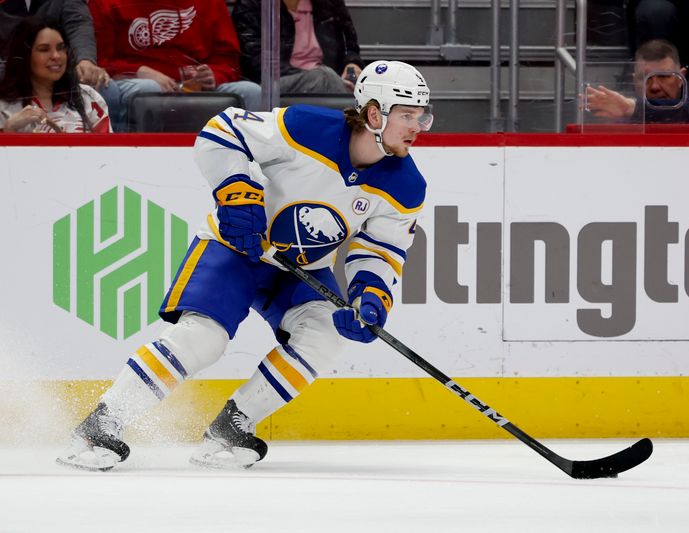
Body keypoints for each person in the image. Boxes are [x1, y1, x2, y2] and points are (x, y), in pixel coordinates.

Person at [56, 60, 433, 471]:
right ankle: (100, 426)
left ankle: (232, 428)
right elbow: (222, 131)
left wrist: (371, 297)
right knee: (205, 338)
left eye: (421, 116)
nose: (418, 127)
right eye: (408, 115)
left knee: (325, 333)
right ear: (375, 114)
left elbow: (381, 251)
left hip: (299, 268)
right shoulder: (305, 127)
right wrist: (235, 191)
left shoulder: (406, 184)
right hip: (236, 247)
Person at [89, 0, 263, 129]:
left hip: (195, 87)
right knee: (149, 89)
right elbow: (98, 63)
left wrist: (214, 75)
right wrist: (137, 71)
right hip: (135, 82)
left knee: (252, 91)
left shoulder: (210, 3)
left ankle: (254, 165)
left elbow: (229, 60)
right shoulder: (107, 3)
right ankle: (138, 156)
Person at [0, 0, 123, 130]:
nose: (56, 56)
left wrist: (85, 59)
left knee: (108, 88)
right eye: (44, 49)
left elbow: (107, 149)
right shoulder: (4, 107)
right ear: (25, 56)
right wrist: (8, 131)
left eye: (60, 48)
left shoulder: (88, 98)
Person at [584, 39, 689, 132]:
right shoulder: (620, 113)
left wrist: (633, 109)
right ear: (634, 81)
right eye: (645, 78)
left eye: (664, 76)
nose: (654, 87)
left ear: (681, 78)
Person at [233, 0, 364, 94]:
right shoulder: (251, 4)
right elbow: (256, 62)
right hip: (275, 83)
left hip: (331, 79)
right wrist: (315, 77)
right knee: (325, 78)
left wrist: (351, 64)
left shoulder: (330, 3)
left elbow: (349, 42)